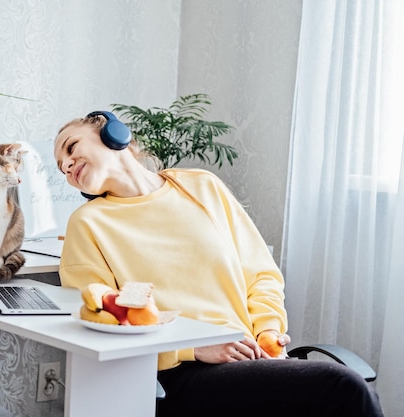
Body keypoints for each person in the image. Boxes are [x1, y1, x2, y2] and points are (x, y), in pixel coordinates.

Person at [53, 111, 383, 417]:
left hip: (250, 358)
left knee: (349, 393)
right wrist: (192, 349)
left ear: (113, 133)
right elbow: (101, 323)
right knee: (342, 386)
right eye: (61, 167)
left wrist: (268, 330)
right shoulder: (87, 224)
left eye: (71, 148)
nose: (67, 166)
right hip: (178, 374)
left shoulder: (201, 186)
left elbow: (260, 274)